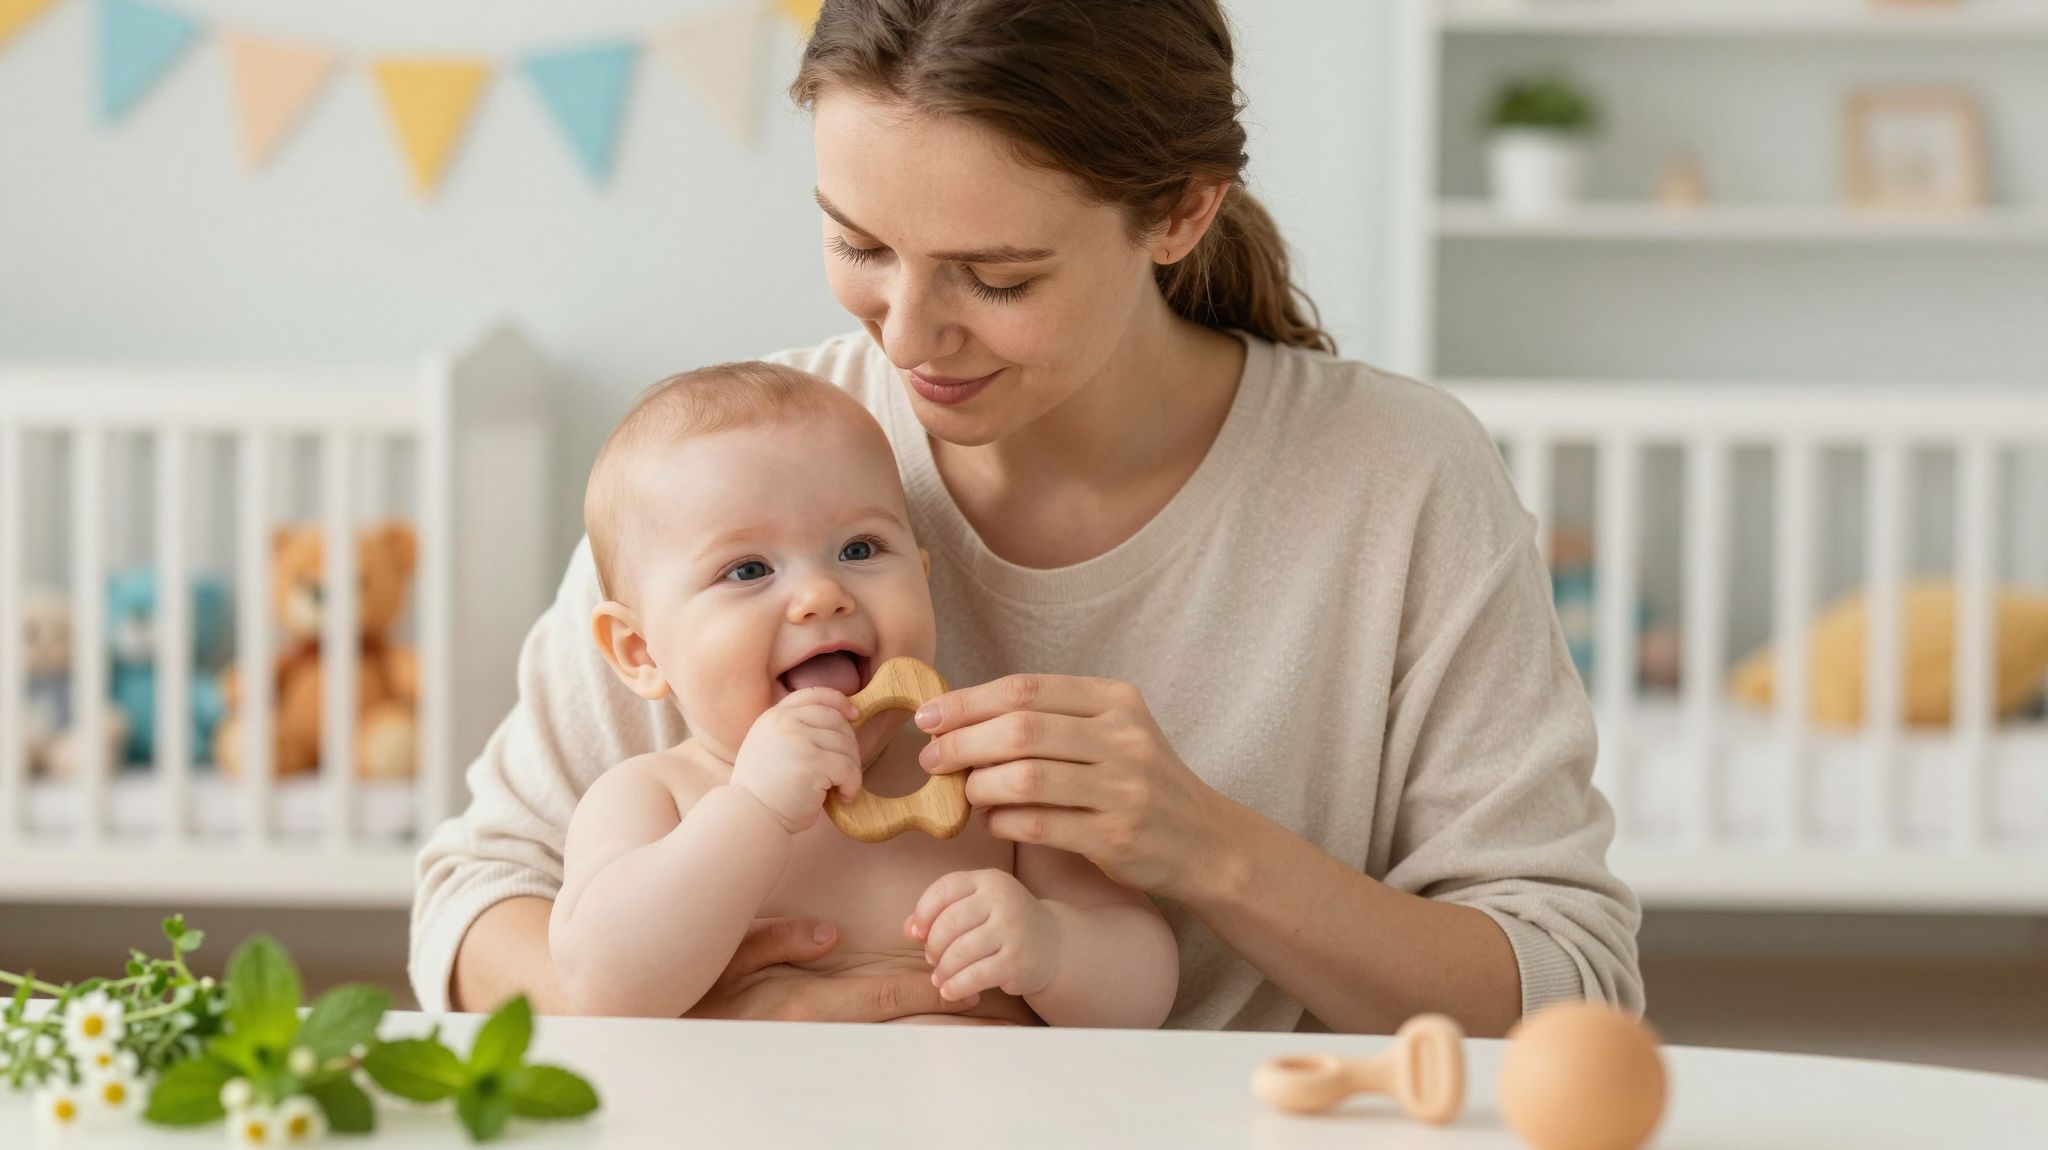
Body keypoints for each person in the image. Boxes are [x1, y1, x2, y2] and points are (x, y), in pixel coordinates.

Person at [412, 0, 1642, 1034]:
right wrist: (723, 1015)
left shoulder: (1397, 478)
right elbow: (472, 904)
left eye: (996, 278)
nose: (901, 336)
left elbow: (1568, 991)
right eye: (857, 244)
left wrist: (1207, 849)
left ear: (1178, 213)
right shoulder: (748, 468)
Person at [550, 361, 1176, 1026]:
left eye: (859, 549)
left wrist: (1053, 949)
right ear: (639, 652)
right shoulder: (654, 798)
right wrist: (754, 808)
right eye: (749, 569)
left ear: (923, 577)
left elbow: (1144, 994)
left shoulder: (990, 777)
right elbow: (605, 990)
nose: (822, 595)